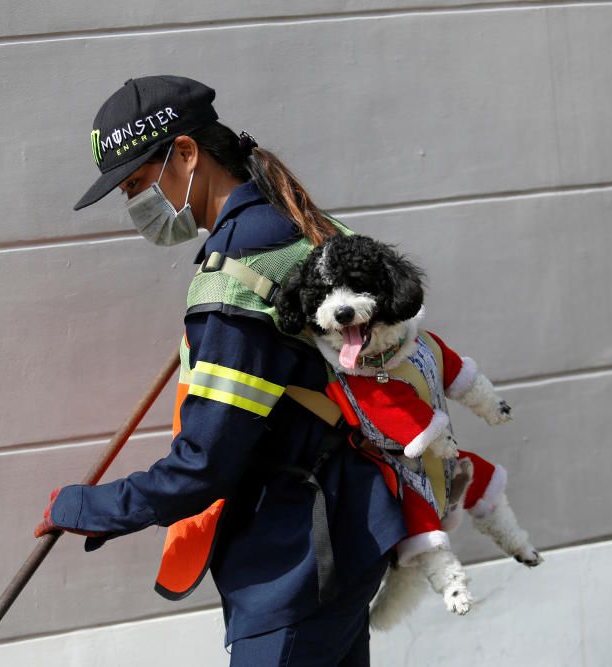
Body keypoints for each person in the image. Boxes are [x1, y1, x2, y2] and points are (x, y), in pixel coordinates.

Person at [33, 75, 408, 666]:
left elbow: (203, 465)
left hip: (293, 564)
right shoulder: (299, 224)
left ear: (186, 154)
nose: (136, 206)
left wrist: (85, 508)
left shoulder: (236, 276)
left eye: (136, 184)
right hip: (353, 530)